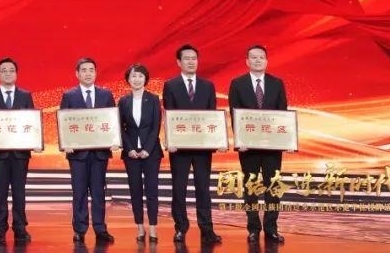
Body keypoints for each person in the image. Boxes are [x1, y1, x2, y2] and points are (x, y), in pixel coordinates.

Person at [162, 44, 223, 244]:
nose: (191, 62)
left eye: (194, 58)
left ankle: (207, 229)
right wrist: (170, 140)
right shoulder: (170, 85)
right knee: (179, 188)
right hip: (179, 148)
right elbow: (169, 115)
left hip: (202, 147)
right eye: (187, 58)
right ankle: (181, 227)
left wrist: (217, 140)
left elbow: (212, 116)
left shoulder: (208, 86)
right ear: (178, 62)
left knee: (203, 188)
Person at [228, 44, 289, 244]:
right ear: (247, 61)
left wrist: (285, 140)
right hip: (248, 147)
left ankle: (271, 228)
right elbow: (235, 114)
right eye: (253, 57)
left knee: (273, 187)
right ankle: (253, 229)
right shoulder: (238, 83)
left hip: (272, 147)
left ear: (266, 61)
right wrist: (240, 140)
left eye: (261, 57)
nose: (257, 60)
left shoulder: (276, 83)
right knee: (251, 188)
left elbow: (282, 115)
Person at [60, 57, 117, 244]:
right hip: (77, 154)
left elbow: (112, 121)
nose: (88, 73)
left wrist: (114, 140)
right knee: (79, 192)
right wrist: (65, 144)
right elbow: (63, 123)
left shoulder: (105, 95)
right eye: (84, 70)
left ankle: (100, 229)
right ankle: (79, 229)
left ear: (96, 73)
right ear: (77, 74)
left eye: (91, 70)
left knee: (99, 192)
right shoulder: (69, 95)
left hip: (100, 153)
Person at [0, 57, 34, 244]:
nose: (8, 73)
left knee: (19, 192)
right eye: (4, 70)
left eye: (11, 70)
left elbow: (32, 123)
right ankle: (0, 228)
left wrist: (35, 141)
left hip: (20, 153)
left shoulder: (25, 95)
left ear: (16, 74)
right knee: (0, 192)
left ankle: (20, 227)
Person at [118, 63, 162, 244]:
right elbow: (120, 127)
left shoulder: (153, 99)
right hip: (131, 154)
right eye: (133, 76)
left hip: (151, 153)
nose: (137, 79)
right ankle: (140, 227)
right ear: (128, 79)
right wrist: (129, 148)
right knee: (135, 191)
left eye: (140, 76)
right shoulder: (123, 101)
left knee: (152, 191)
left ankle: (153, 228)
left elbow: (155, 126)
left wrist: (147, 149)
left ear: (145, 79)